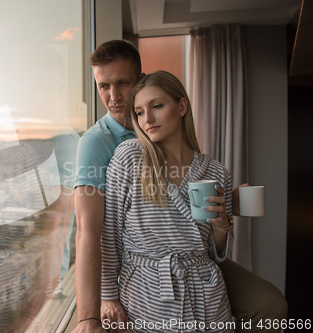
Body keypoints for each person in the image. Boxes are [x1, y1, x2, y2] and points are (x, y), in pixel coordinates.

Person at [72, 40, 287, 333]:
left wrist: (223, 214)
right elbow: (91, 230)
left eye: (123, 83)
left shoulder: (211, 168)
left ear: (140, 80)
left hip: (199, 270)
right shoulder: (104, 145)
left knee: (271, 305)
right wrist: (95, 309)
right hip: (147, 278)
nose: (113, 96)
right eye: (103, 86)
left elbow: (210, 243)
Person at [101, 70, 233, 332]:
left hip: (207, 295)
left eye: (157, 106)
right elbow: (110, 235)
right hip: (147, 295)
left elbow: (215, 252)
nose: (146, 119)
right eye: (139, 112)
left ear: (181, 106)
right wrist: (108, 296)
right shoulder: (130, 158)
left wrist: (221, 224)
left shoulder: (217, 173)